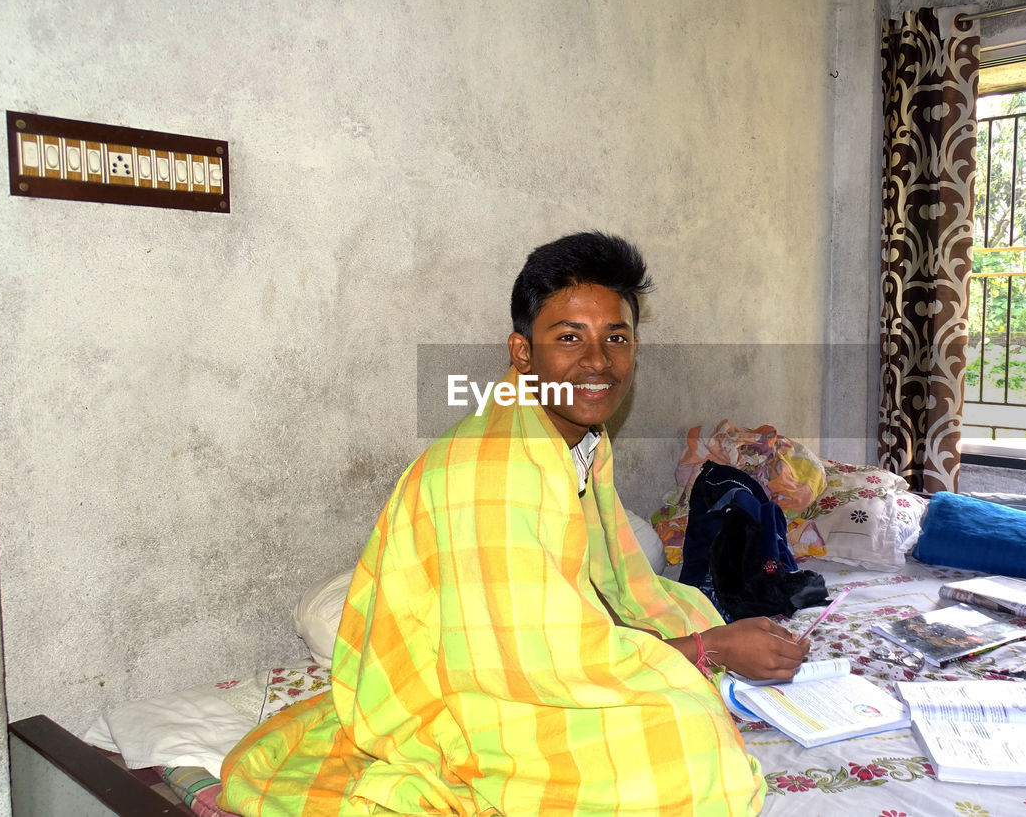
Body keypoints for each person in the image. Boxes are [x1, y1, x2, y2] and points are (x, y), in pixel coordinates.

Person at [220, 232, 809, 816]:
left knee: (684, 619)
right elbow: (533, 659)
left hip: (518, 657)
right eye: (569, 338)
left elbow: (589, 585)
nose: (598, 362)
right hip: (458, 687)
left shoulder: (577, 440)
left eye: (617, 338)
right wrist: (706, 650)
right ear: (523, 353)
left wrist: (683, 642)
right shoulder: (497, 464)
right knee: (686, 747)